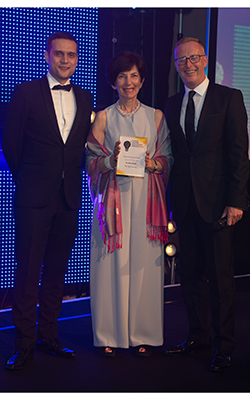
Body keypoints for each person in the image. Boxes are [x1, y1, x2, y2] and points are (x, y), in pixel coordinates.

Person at [2, 31, 93, 370]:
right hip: (33, 199)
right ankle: (23, 343)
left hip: (69, 199)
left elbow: (79, 148)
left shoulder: (85, 98)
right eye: (59, 54)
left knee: (56, 272)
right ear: (47, 55)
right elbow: (11, 145)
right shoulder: (25, 92)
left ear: (77, 58)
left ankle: (49, 336)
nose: (65, 60)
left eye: (71, 54)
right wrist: (29, 181)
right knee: (27, 273)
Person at [163, 37, 249, 371]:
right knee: (190, 277)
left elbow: (239, 154)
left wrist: (236, 201)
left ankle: (224, 345)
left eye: (194, 58)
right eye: (181, 60)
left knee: (221, 280)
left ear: (205, 59)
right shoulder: (172, 104)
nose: (188, 64)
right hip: (185, 206)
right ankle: (198, 336)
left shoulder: (229, 98)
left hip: (218, 206)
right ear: (176, 65)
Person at [87, 51, 173, 357]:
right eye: (122, 76)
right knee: (110, 265)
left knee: (143, 269)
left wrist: (154, 164)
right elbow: (90, 160)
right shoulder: (103, 117)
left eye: (134, 75)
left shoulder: (157, 116)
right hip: (113, 203)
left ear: (142, 80)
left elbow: (168, 158)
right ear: (113, 82)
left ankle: (143, 333)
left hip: (146, 203)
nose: (129, 82)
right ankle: (109, 334)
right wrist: (109, 160)